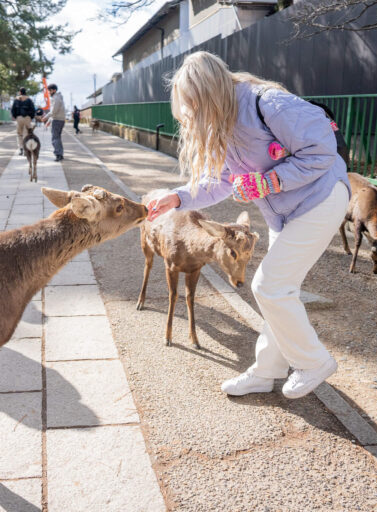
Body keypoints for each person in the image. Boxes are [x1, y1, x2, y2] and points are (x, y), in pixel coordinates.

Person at [147, 51, 350, 400]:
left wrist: (268, 182)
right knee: (279, 291)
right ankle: (265, 371)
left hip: (321, 198)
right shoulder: (222, 122)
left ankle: (314, 361)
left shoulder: (269, 104)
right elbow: (222, 181)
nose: (191, 117)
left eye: (192, 106)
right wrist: (177, 199)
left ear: (209, 92)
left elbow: (321, 153)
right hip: (283, 214)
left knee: (269, 286)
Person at [42, 84, 65, 161]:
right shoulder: (59, 97)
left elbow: (54, 111)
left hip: (57, 120)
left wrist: (45, 118)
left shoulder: (56, 98)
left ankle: (58, 154)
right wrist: (49, 121)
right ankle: (60, 154)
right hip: (59, 119)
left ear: (54, 90)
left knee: (55, 138)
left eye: (50, 90)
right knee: (57, 138)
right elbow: (54, 112)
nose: (49, 92)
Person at [11, 87, 36, 155]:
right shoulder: (29, 100)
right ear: (25, 92)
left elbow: (13, 110)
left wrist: (15, 116)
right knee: (27, 134)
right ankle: (26, 149)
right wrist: (31, 117)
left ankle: (21, 148)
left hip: (19, 118)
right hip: (27, 118)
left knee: (19, 134)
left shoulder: (16, 99)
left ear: (20, 92)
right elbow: (33, 110)